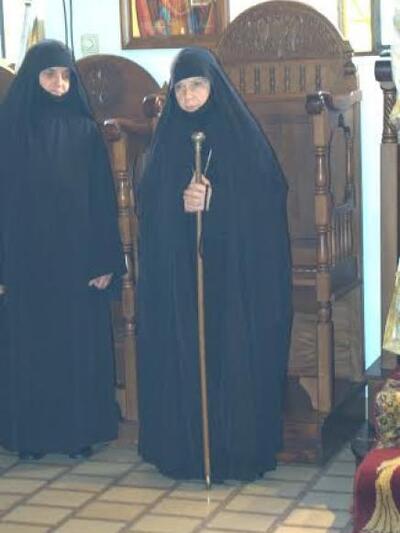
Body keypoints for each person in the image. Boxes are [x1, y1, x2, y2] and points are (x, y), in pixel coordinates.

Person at [136, 47, 292, 482]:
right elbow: (149, 202)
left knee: (229, 354)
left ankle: (235, 450)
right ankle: (186, 450)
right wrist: (179, 202)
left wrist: (215, 201)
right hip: (182, 274)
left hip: (233, 275)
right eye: (180, 88)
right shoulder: (167, 139)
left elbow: (267, 194)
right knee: (186, 350)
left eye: (197, 85)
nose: (188, 96)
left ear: (214, 86)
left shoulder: (241, 136)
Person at [0, 40, 125, 459]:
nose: (58, 83)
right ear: (32, 79)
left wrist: (105, 260)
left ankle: (78, 432)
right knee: (31, 348)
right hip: (26, 260)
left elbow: (102, 201)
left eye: (65, 76)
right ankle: (30, 436)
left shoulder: (85, 131)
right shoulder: (10, 130)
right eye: (49, 75)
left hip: (77, 259)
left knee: (76, 347)